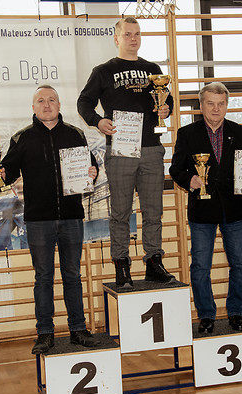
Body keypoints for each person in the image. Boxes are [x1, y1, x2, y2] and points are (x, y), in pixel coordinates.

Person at [0, 84, 100, 353]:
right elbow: (7, 173)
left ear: (59, 105)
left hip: (71, 217)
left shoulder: (75, 134)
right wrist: (0, 175)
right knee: (43, 277)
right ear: (33, 107)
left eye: (51, 99)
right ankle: (44, 333)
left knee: (72, 275)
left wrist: (92, 171)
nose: (47, 104)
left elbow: (90, 167)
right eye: (41, 100)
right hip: (38, 221)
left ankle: (78, 329)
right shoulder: (21, 138)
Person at [77, 16, 174, 288]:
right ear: (116, 38)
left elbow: (167, 100)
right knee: (120, 212)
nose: (133, 39)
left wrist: (166, 109)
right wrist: (98, 121)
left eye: (137, 34)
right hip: (120, 149)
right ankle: (121, 264)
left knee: (153, 211)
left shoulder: (153, 69)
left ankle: (154, 260)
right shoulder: (103, 71)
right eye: (128, 34)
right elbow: (84, 102)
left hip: (151, 147)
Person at [169, 82, 242, 333]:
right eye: (210, 103)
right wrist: (189, 180)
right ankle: (206, 315)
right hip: (202, 211)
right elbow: (175, 169)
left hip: (234, 209)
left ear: (226, 105)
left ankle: (236, 313)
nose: (216, 108)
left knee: (241, 265)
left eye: (221, 103)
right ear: (201, 105)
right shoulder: (187, 133)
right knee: (200, 267)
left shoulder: (240, 131)